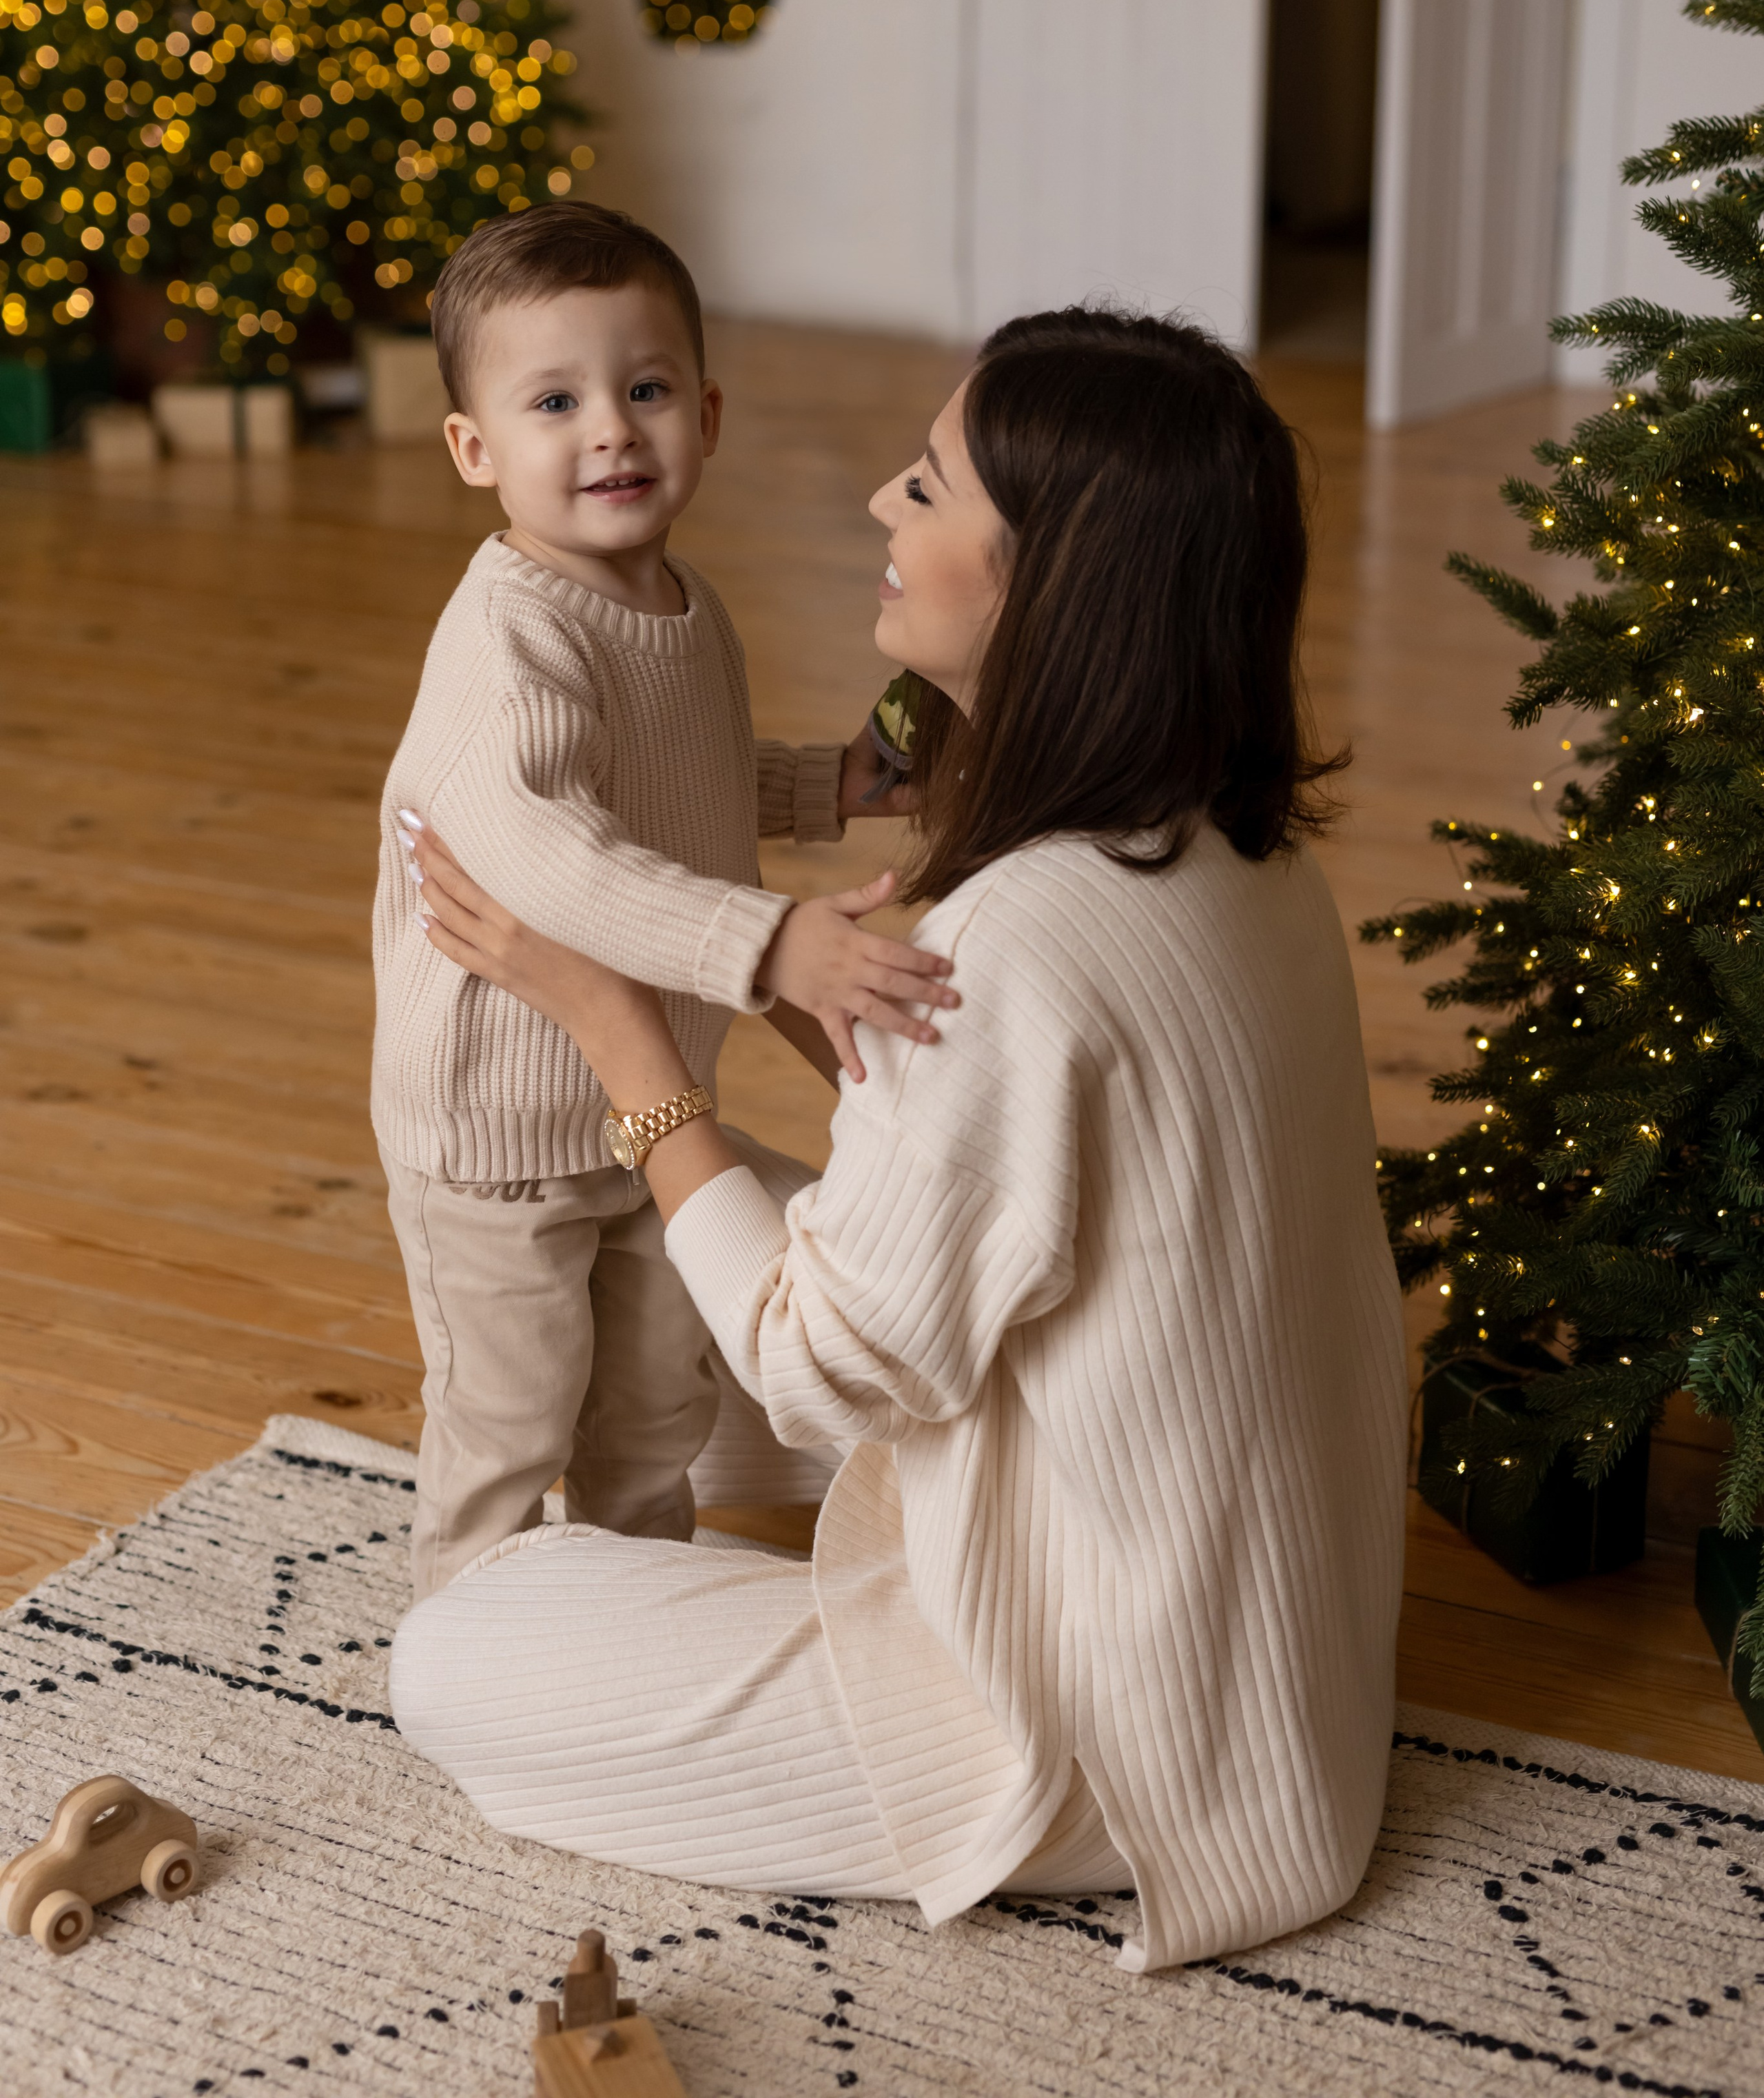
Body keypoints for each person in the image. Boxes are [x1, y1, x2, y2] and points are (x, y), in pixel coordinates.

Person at [390, 304, 1409, 1975]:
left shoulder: (1034, 927)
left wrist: (619, 1032)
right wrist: (790, 1001)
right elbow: (1002, 1172)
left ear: (1041, 587)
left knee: (457, 1649)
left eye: (927, 490)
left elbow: (820, 1371)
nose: (880, 501)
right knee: (629, 1344)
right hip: (1247, 1632)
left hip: (1099, 1738)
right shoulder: (1232, 852)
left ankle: (931, 1736)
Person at [373, 202, 956, 1598]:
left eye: (642, 392)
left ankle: (623, 1625)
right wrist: (766, 945)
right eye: (554, 402)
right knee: (508, 1430)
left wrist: (827, 788)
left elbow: (668, 776)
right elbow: (552, 856)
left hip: (645, 1106)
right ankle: (472, 1654)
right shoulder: (513, 650)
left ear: (703, 409)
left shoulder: (678, 602)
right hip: (497, 1133)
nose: (609, 434)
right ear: (474, 449)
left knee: (650, 1414)